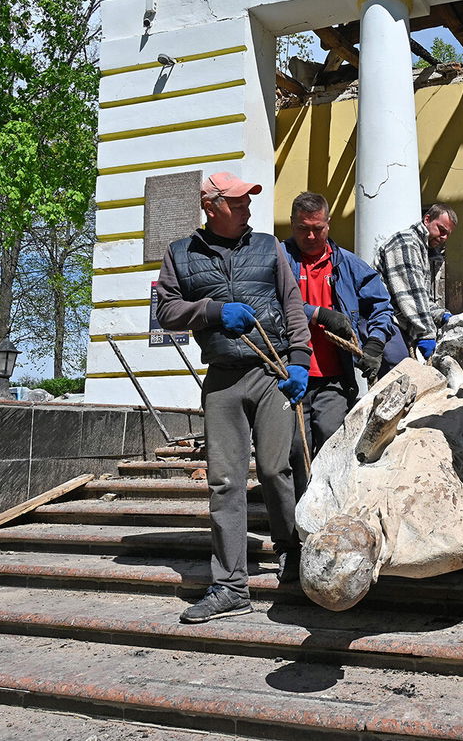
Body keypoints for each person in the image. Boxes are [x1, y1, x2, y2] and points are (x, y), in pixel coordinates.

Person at [155, 172, 312, 623]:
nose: (247, 208)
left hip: (271, 372)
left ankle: (293, 552)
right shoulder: (180, 254)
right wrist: (214, 311)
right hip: (222, 378)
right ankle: (229, 586)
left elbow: (292, 302)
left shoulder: (269, 247)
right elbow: (166, 311)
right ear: (212, 206)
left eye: (248, 201)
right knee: (224, 481)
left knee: (275, 469)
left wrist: (299, 360)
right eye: (239, 201)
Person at [281, 191, 406, 504]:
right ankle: (301, 520)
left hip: (334, 377)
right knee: (296, 448)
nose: (310, 235)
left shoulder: (349, 265)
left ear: (328, 224)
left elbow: (382, 305)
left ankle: (333, 511)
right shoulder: (278, 261)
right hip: (288, 374)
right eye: (302, 228)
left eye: (318, 228)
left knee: (331, 438)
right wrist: (317, 313)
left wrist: (375, 344)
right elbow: (268, 303)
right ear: (292, 224)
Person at [376, 203, 458, 359]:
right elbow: (410, 295)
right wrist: (426, 333)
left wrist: (442, 316)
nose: (444, 238)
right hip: (384, 320)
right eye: (441, 230)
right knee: (398, 367)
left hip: (401, 322)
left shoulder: (423, 249)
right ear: (427, 219)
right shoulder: (406, 243)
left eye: (448, 234)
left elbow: (422, 297)